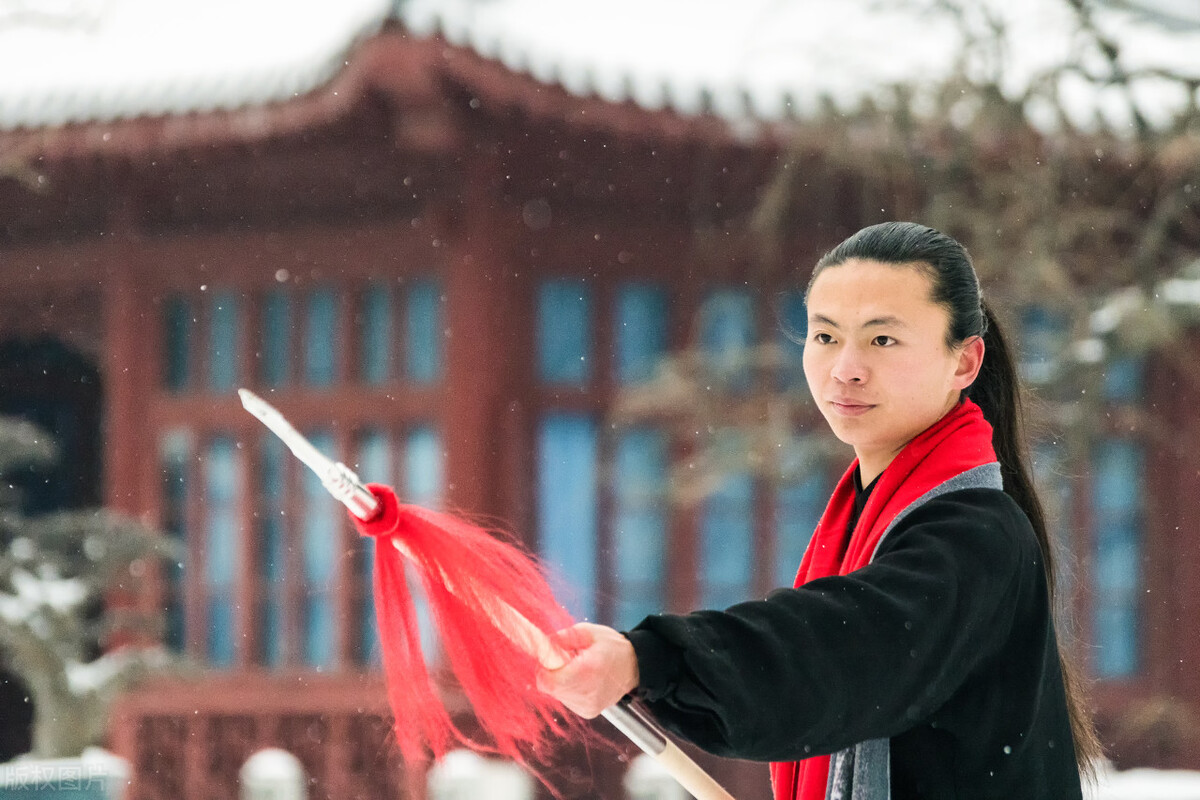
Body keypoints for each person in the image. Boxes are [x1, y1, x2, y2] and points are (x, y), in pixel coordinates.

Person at [536, 222, 1101, 800]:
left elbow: (844, 649)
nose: (845, 368)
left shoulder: (978, 536)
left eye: (883, 340)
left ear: (964, 362)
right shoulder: (868, 516)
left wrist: (652, 660)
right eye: (826, 337)